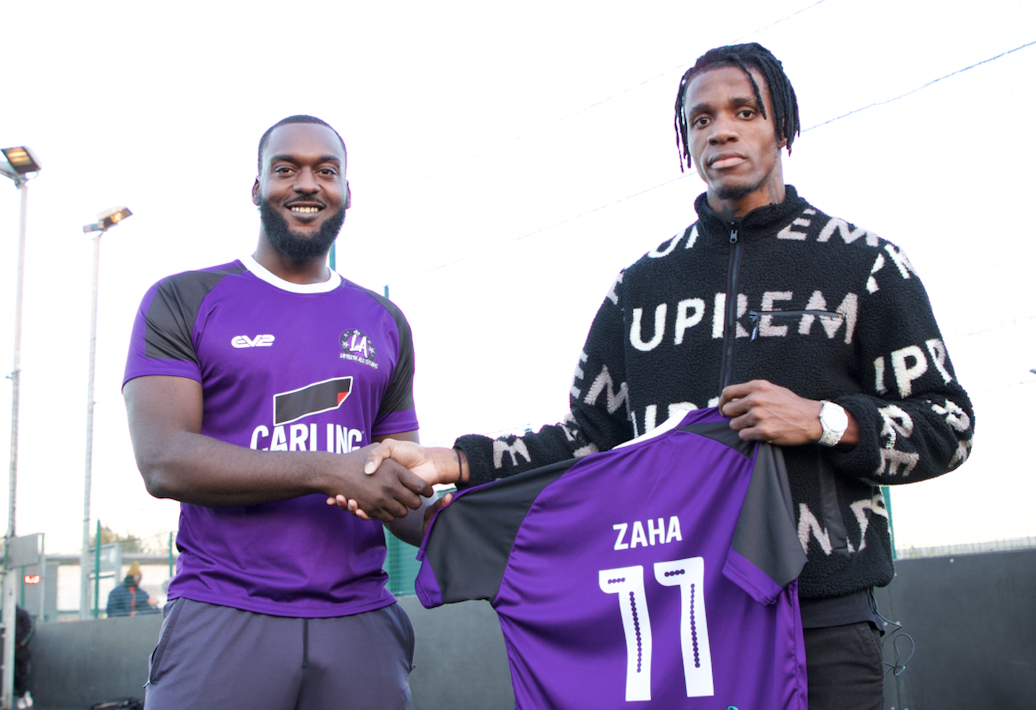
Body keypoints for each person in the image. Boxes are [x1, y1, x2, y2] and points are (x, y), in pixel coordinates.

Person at [360, 44, 974, 710]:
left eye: (744, 111)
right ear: (686, 141)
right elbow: (588, 437)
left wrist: (825, 420)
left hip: (822, 617)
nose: (722, 131)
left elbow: (950, 426)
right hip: (679, 620)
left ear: (783, 127)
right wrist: (451, 460)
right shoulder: (643, 286)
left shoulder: (864, 265)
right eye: (701, 119)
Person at [122, 115, 434, 710]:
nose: (307, 184)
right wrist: (327, 470)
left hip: (360, 618)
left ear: (346, 192)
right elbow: (164, 461)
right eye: (285, 169)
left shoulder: (384, 323)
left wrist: (514, 527)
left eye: (327, 170)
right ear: (257, 188)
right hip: (224, 609)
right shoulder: (184, 299)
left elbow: (404, 494)